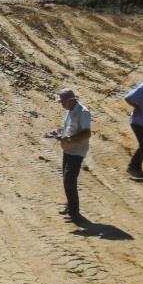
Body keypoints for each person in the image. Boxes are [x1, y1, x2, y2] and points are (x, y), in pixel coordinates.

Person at [50, 88, 92, 222]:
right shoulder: (69, 111)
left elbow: (87, 133)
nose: (61, 104)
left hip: (77, 151)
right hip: (68, 149)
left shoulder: (83, 112)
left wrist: (69, 139)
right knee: (67, 180)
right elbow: (68, 128)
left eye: (62, 102)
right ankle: (70, 206)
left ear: (70, 100)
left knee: (69, 180)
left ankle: (75, 213)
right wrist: (58, 132)